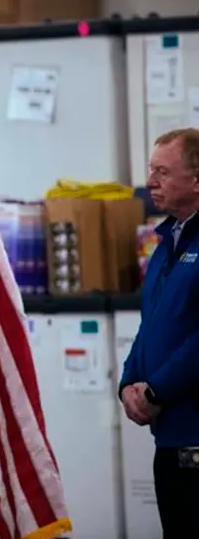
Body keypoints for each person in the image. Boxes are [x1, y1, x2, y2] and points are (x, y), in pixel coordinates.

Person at [118, 128, 199, 539]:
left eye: (162, 172)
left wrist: (156, 391)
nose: (150, 181)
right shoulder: (167, 240)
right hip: (167, 436)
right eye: (151, 170)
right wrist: (129, 382)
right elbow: (151, 325)